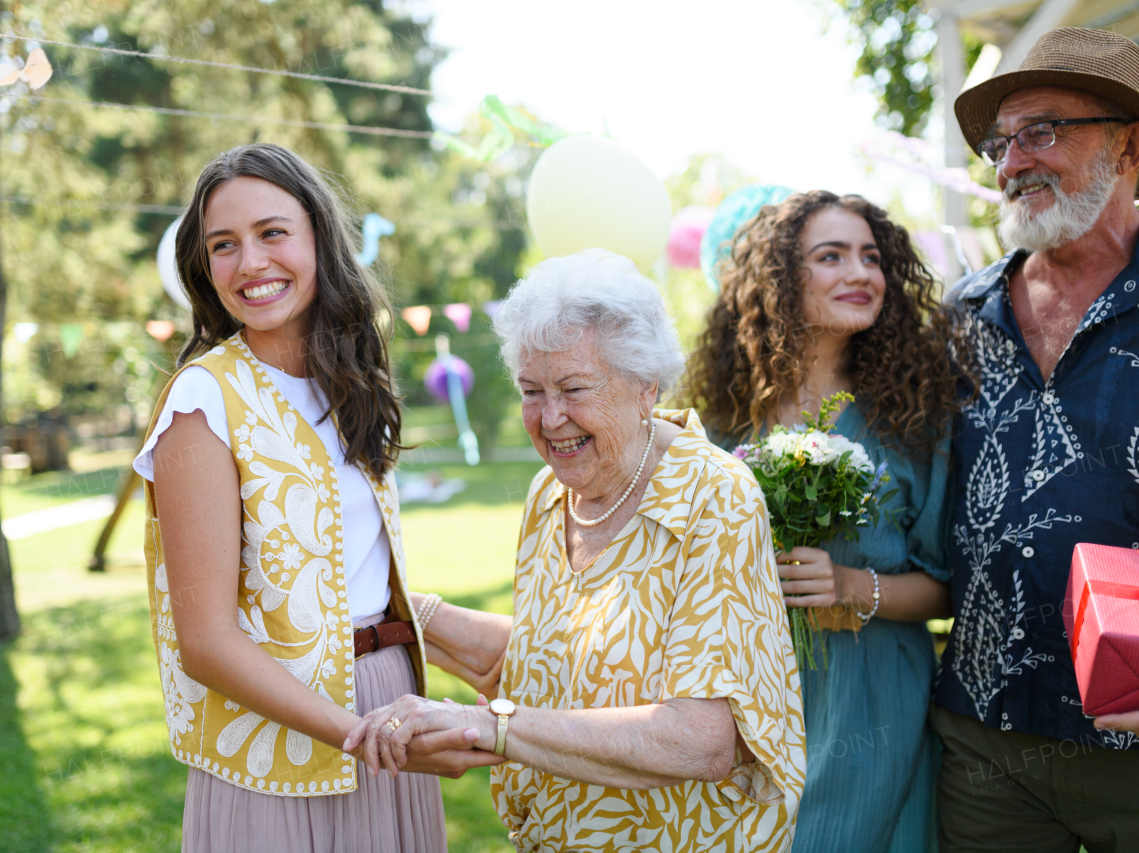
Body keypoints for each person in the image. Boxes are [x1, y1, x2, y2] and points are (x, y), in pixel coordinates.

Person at [343, 249, 807, 853]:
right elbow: (550, 658)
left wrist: (490, 726)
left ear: (646, 387)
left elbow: (701, 739)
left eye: (574, 388)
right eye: (532, 390)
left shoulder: (712, 497)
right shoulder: (549, 493)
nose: (551, 417)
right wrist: (397, 608)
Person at [133, 143, 499, 853]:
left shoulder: (351, 382)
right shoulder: (204, 399)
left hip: (389, 699)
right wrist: (360, 736)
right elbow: (205, 642)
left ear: (317, 239)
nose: (251, 263)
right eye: (224, 245)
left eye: (273, 232)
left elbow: (344, 570)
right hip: (277, 734)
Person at [688, 189, 965, 853]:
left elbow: (949, 585)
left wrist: (848, 584)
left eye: (871, 257)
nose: (861, 273)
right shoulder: (722, 420)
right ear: (782, 279)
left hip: (874, 698)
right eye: (832, 256)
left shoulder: (916, 418)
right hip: (747, 700)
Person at [933, 25, 1139, 853]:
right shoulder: (958, 317)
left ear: (1128, 146)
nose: (1013, 161)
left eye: (1043, 130)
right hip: (989, 740)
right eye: (1000, 142)